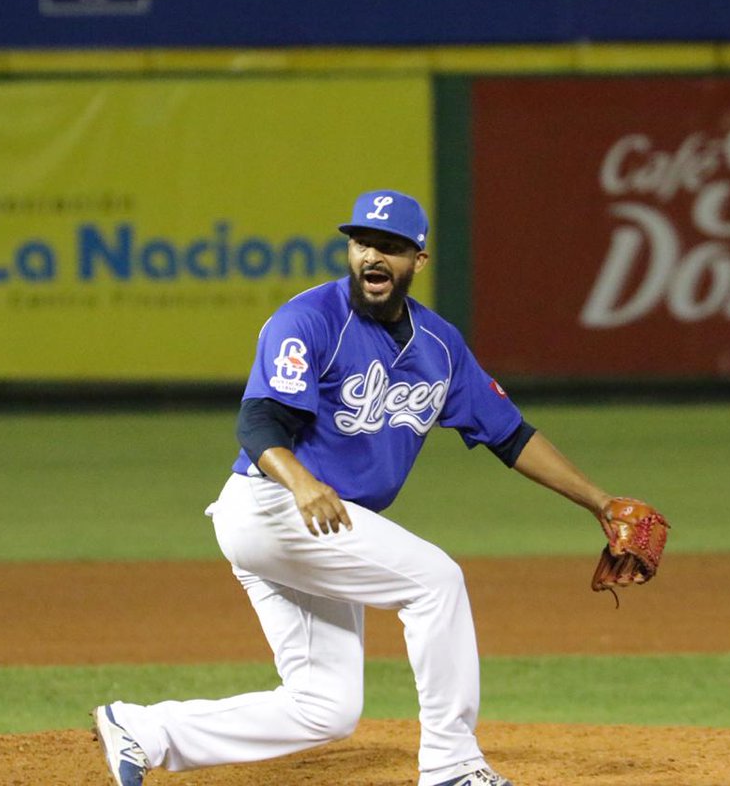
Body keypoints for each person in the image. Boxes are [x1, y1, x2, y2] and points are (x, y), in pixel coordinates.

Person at [93, 189, 621, 786]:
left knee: (325, 707)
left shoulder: (440, 345)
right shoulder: (309, 319)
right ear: (350, 247)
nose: (374, 256)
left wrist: (600, 502)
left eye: (391, 247)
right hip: (273, 505)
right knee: (435, 582)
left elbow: (511, 435)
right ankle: (452, 765)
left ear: (418, 260)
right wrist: (301, 482)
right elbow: (259, 420)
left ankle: (142, 730)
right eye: (364, 242)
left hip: (320, 524)